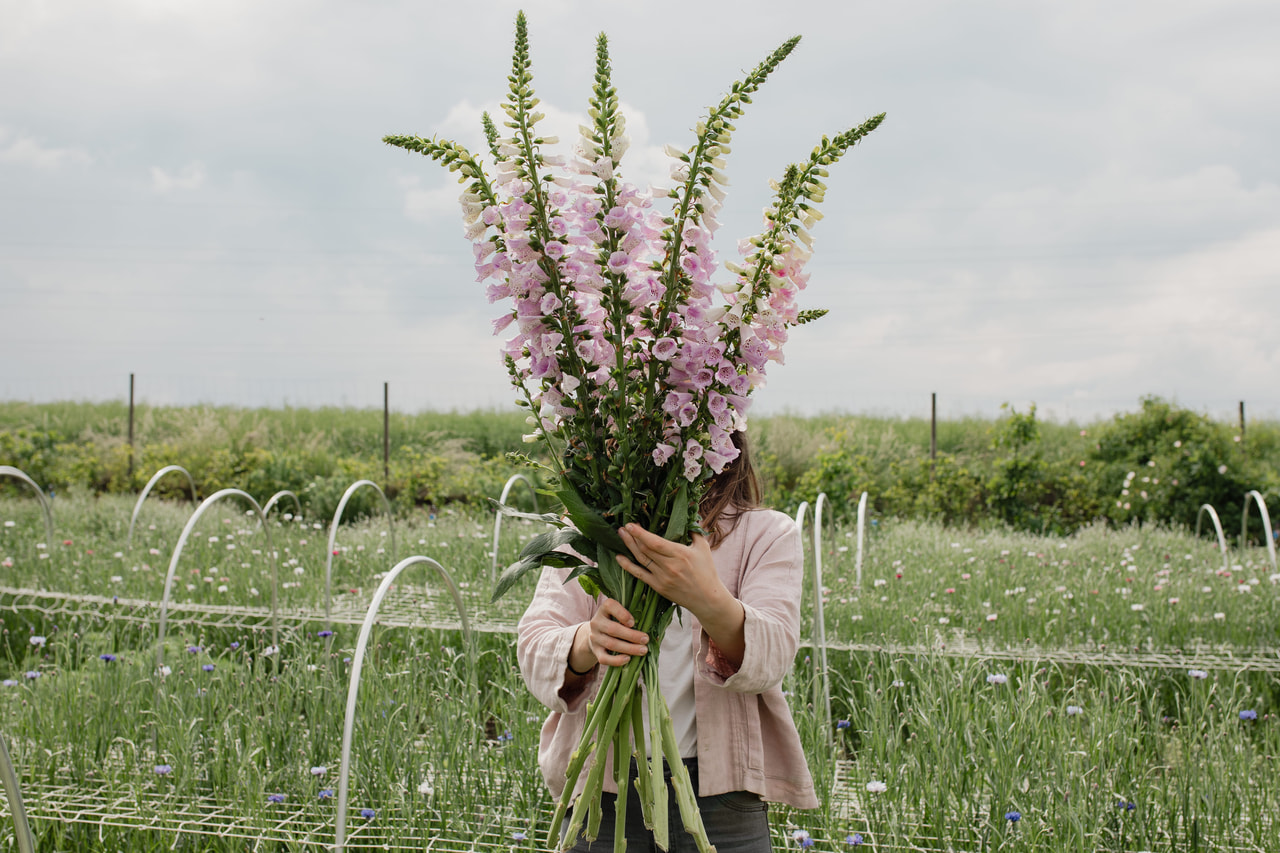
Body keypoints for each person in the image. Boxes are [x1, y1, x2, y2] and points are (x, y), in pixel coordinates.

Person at [517, 432, 817, 853]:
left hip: (723, 802)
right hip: (603, 792)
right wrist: (589, 640)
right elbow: (533, 647)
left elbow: (773, 658)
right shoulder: (590, 531)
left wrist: (705, 598)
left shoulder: (764, 534)